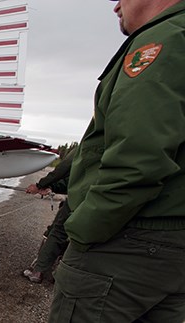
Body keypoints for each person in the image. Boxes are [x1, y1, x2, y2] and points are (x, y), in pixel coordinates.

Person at [49, 1, 185, 322]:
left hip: (126, 243)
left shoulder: (162, 42)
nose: (116, 6)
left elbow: (138, 158)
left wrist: (83, 229)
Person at [21, 148, 75, 283]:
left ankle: (38, 271)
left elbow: (64, 168)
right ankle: (60, 272)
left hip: (82, 199)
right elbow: (75, 181)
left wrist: (40, 185)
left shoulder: (91, 142)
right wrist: (52, 188)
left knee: (57, 232)